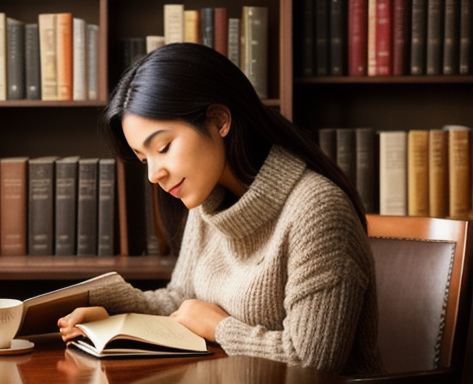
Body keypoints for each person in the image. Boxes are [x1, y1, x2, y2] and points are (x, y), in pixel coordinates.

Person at [58, 43, 384, 375]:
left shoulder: (318, 211)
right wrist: (113, 313)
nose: (154, 174)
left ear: (218, 120)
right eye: (144, 159)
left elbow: (311, 363)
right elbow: (183, 301)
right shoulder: (208, 199)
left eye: (164, 147)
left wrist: (220, 328)